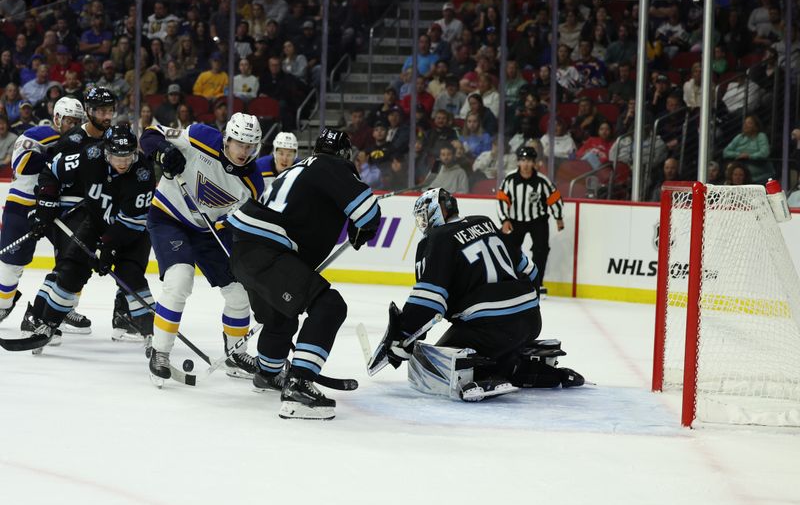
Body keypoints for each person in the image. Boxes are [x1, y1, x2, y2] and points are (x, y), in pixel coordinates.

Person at [369, 188, 582, 402]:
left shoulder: (438, 239)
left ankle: (482, 373)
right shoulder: (485, 222)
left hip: (489, 328)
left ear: (438, 210)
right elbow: (531, 271)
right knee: (495, 338)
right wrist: (523, 309)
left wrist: (404, 335)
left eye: (423, 216)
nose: (423, 223)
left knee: (432, 362)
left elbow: (429, 300)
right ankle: (523, 366)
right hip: (531, 321)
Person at [228, 129, 381, 420]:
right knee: (330, 306)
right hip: (270, 252)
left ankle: (269, 373)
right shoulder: (332, 166)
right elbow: (369, 212)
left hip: (244, 251)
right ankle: (298, 384)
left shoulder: (299, 168)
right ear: (345, 155)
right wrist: (362, 226)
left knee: (280, 317)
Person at [140, 113, 266, 384]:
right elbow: (152, 132)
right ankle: (160, 352)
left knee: (239, 291)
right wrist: (163, 152)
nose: (244, 152)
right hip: (168, 217)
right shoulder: (198, 137)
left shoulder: (253, 184)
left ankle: (235, 353)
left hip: (208, 231)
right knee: (180, 278)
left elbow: (236, 221)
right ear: (227, 139)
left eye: (250, 146)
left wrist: (226, 228)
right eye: (239, 144)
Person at [21, 125, 155, 350]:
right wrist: (46, 203)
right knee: (71, 270)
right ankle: (47, 324)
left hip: (133, 231)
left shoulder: (143, 172)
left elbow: (132, 221)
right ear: (105, 152)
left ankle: (153, 334)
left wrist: (109, 246)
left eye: (128, 156)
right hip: (95, 222)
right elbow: (51, 170)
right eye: (116, 156)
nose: (122, 163)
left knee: (130, 276)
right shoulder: (90, 155)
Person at [0, 98, 85, 326]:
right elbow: (23, 165)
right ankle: (2, 306)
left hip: (56, 209)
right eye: (69, 120)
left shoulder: (81, 143)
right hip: (21, 206)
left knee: (72, 259)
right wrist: (60, 154)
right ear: (57, 118)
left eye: (77, 122)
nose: (73, 126)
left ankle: (63, 309)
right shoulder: (38, 134)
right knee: (11, 264)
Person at [497, 147, 564, 295]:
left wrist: (558, 217)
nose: (526, 164)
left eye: (529, 161)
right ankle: (510, 280)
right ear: (518, 162)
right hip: (515, 221)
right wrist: (504, 220)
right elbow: (502, 200)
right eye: (523, 160)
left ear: (534, 163)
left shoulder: (542, 181)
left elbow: (554, 198)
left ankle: (537, 283)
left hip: (538, 221)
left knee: (541, 250)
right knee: (509, 250)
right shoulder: (509, 179)